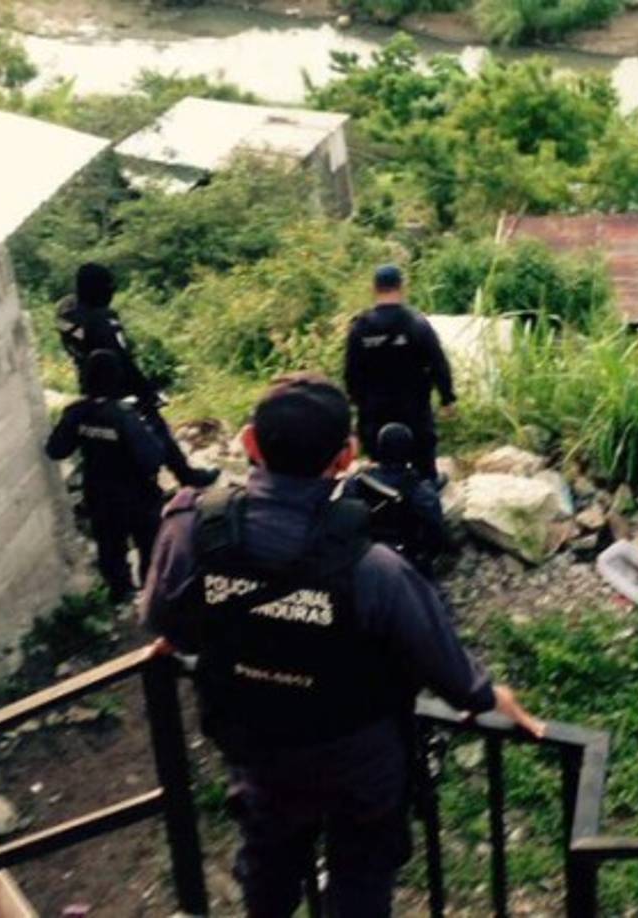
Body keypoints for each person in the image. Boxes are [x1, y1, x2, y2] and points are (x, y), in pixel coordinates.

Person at [141, 373, 543, 918]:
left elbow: (166, 620)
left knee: (268, 866)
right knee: (360, 880)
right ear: (347, 457)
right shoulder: (373, 569)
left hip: (258, 749)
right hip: (357, 761)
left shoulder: (194, 530)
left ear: (249, 442)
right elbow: (443, 665)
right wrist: (489, 697)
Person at [56, 263, 219, 488]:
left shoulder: (66, 316)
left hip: (90, 382)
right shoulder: (104, 321)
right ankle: (183, 475)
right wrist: (147, 391)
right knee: (152, 427)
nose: (112, 293)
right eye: (108, 288)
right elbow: (123, 360)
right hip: (117, 385)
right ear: (98, 290)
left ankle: (113, 483)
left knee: (105, 440)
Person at [46, 350, 167, 603]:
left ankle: (121, 593)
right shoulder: (125, 416)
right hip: (137, 495)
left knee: (110, 548)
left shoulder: (76, 413)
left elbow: (56, 450)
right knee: (150, 546)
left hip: (99, 492)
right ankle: (153, 595)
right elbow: (152, 457)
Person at [344, 265, 455, 484]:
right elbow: (438, 363)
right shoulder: (417, 324)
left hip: (375, 415)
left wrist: (358, 405)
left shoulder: (360, 328)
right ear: (402, 287)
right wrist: (447, 398)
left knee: (380, 469)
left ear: (374, 288)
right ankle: (426, 498)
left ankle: (384, 505)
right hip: (414, 412)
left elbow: (351, 374)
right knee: (425, 471)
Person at [340, 422, 446, 579]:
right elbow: (436, 531)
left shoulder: (357, 481)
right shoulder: (421, 491)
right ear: (410, 452)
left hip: (364, 556)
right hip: (407, 560)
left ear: (379, 448)